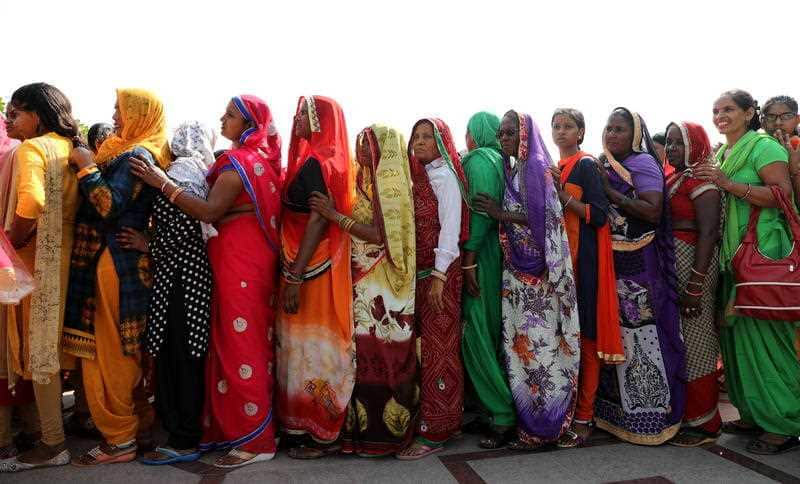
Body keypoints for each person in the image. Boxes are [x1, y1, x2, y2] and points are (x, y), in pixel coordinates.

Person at [132, 95, 282, 467]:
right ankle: (239, 430)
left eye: (230, 115)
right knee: (239, 345)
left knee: (240, 347)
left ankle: (255, 442)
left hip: (239, 260)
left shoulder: (237, 162)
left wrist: (161, 182)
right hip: (247, 257)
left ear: (248, 123)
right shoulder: (258, 161)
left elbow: (211, 211)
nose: (222, 118)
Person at [62, 88, 168, 466]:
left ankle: (120, 439)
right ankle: (135, 429)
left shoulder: (138, 154)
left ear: (139, 114)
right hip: (115, 259)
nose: (115, 115)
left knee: (112, 352)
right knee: (117, 349)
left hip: (116, 261)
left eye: (121, 109)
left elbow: (109, 207)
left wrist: (88, 167)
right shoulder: (127, 150)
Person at [694, 90, 800, 455]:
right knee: (738, 343)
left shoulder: (763, 147)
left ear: (749, 112)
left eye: (728, 109)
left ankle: (784, 422)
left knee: (768, 341)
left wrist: (728, 184)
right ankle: (754, 413)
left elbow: (781, 194)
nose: (720, 115)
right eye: (716, 110)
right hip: (730, 257)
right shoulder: (722, 152)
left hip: (762, 252)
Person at [309, 124, 417, 457]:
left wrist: (333, 216)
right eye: (360, 144)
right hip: (364, 285)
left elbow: (378, 236)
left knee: (385, 356)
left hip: (385, 286)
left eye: (369, 145)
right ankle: (361, 434)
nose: (362, 152)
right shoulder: (366, 183)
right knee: (363, 358)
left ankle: (389, 436)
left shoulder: (391, 186)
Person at [474, 110, 580, 450]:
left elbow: (544, 218)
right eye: (501, 133)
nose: (503, 138)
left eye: (509, 133)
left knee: (540, 351)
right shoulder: (514, 168)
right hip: (519, 276)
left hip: (539, 278)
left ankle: (545, 428)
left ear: (523, 135)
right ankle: (531, 423)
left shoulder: (533, 167)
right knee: (522, 350)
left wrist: (499, 214)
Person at [0, 83, 81, 472]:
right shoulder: (69, 148)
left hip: (36, 263)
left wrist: (11, 245)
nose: (8, 119)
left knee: (41, 353)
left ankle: (52, 444)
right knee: (48, 351)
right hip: (66, 258)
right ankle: (50, 435)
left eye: (15, 112)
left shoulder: (33, 149)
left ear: (37, 115)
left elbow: (31, 202)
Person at [594, 107, 685, 445]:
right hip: (611, 261)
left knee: (644, 336)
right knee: (616, 336)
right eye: (608, 128)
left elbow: (651, 211)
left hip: (639, 263)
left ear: (633, 134)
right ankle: (616, 416)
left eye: (619, 129)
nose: (611, 134)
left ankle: (652, 419)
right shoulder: (602, 163)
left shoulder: (643, 163)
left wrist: (610, 191)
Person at [126, 121, 215, 465]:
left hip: (181, 277)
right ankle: (183, 431)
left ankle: (184, 439)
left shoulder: (180, 173)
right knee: (181, 352)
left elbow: (182, 232)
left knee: (181, 354)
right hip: (184, 276)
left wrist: (147, 243)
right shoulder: (197, 171)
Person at [276, 96, 354, 459]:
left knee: (313, 347)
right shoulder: (328, 161)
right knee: (306, 347)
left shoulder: (315, 163)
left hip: (309, 268)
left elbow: (318, 219)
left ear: (318, 120)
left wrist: (294, 276)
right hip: (309, 265)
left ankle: (321, 432)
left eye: (303, 115)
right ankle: (304, 425)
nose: (297, 121)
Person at [547, 108, 622, 449]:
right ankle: (561, 410)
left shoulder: (586, 164)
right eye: (556, 126)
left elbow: (599, 215)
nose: (561, 132)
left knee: (587, 339)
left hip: (585, 265)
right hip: (559, 266)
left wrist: (561, 195)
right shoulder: (554, 167)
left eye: (568, 127)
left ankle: (584, 417)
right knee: (563, 339)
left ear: (581, 132)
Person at [396, 118, 467, 459]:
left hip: (441, 275)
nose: (420, 142)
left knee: (440, 351)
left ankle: (437, 430)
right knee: (421, 351)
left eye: (428, 137)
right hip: (418, 274)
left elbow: (450, 229)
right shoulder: (412, 177)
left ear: (442, 142)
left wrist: (439, 275)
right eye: (417, 136)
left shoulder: (443, 178)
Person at [663, 121, 723, 447]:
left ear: (696, 143)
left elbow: (709, 232)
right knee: (684, 342)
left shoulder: (704, 179)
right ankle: (688, 414)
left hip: (694, 267)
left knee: (699, 342)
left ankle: (707, 423)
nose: (671, 148)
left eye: (677, 143)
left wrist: (696, 285)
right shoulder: (678, 177)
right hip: (676, 265)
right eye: (669, 143)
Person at [459, 112, 515, 449]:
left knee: (476, 333)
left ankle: (502, 414)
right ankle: (488, 409)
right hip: (494, 254)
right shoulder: (501, 160)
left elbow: (480, 213)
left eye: (467, 130)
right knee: (491, 332)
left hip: (481, 256)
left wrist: (469, 261)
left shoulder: (480, 160)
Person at [761, 96, 800, 209]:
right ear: (763, 122)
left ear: (797, 119)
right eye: (771, 117)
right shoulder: (756, 146)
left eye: (786, 116)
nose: (778, 122)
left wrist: (794, 169)